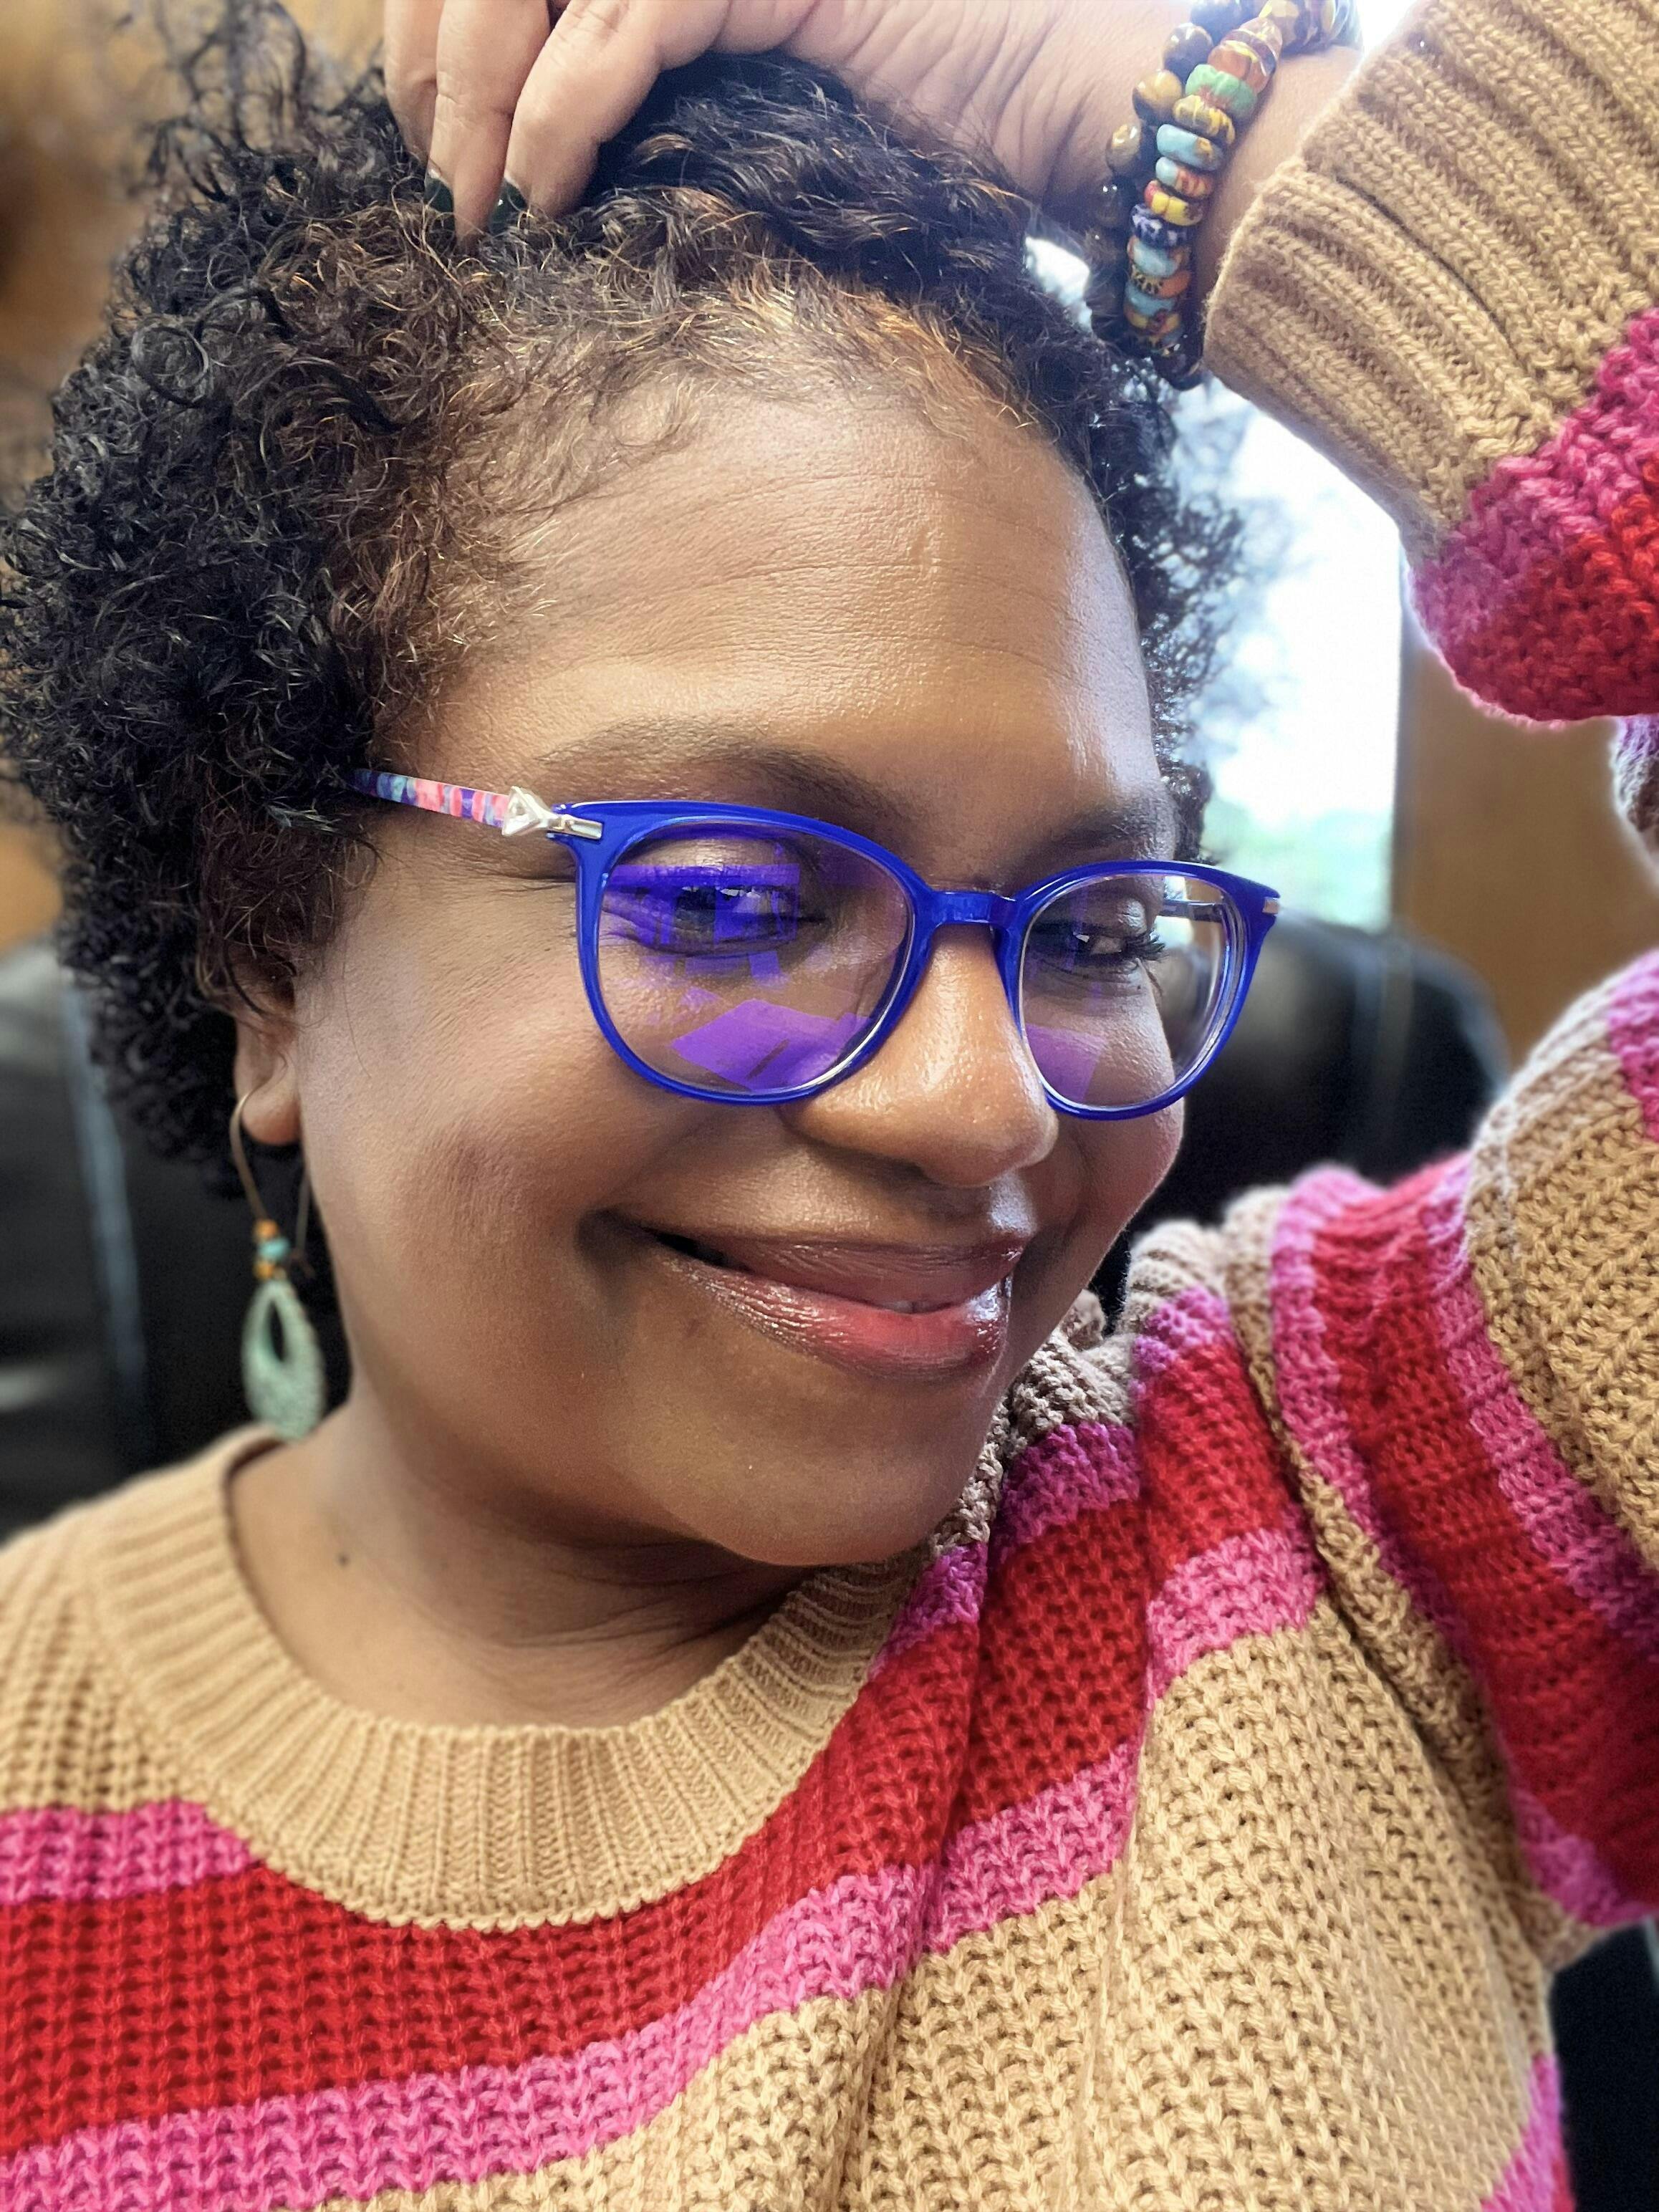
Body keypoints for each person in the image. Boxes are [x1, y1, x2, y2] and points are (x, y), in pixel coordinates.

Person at [0, 0, 1653, 2204]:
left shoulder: (1371, 1527)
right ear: (267, 947)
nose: (977, 1107)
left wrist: (1167, 122)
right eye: (731, 897)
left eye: (1087, 926)